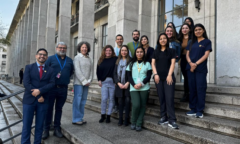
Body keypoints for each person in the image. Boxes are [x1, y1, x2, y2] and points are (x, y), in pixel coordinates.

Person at [21, 48, 55, 144]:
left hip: (43, 101)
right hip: (29, 101)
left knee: (40, 126)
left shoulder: (51, 70)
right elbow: (26, 84)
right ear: (36, 56)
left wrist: (40, 91)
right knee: (26, 125)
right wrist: (38, 96)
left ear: (47, 57)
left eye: (44, 55)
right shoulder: (29, 67)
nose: (42, 56)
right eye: (40, 54)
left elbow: (52, 84)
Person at [42, 42, 74, 139]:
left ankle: (57, 128)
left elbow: (71, 72)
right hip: (51, 89)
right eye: (60, 47)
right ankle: (46, 129)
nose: (62, 49)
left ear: (66, 49)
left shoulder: (69, 60)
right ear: (56, 48)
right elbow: (44, 72)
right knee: (49, 109)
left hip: (63, 89)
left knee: (59, 109)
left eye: (64, 48)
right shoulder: (50, 59)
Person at [152, 33, 179, 129]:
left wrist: (169, 75)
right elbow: (153, 64)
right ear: (158, 41)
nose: (163, 40)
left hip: (168, 78)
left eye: (164, 38)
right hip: (158, 78)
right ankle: (164, 117)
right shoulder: (155, 51)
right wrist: (155, 74)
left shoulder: (172, 51)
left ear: (167, 40)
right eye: (161, 39)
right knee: (161, 98)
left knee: (169, 97)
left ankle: (172, 120)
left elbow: (172, 64)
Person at [185, 24, 212, 118]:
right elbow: (187, 55)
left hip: (201, 69)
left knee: (200, 89)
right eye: (196, 30)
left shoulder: (207, 42)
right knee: (192, 89)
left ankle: (200, 110)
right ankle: (193, 108)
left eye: (199, 29)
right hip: (190, 69)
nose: (198, 31)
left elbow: (206, 55)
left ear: (203, 30)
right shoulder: (191, 42)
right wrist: (191, 63)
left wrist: (195, 64)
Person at [127, 47, 152, 132]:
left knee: (142, 106)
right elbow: (128, 76)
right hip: (133, 88)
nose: (139, 53)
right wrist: (134, 84)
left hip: (144, 87)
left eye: (141, 52)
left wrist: (141, 84)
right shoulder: (131, 63)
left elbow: (149, 76)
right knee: (136, 105)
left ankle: (139, 123)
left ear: (143, 53)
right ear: (135, 53)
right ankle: (133, 121)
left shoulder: (148, 63)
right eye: (137, 52)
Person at [72, 41, 93, 125]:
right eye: (82, 47)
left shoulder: (89, 58)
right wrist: (84, 81)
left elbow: (91, 71)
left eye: (86, 47)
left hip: (86, 83)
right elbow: (77, 70)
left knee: (83, 100)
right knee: (77, 100)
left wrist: (89, 80)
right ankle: (76, 119)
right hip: (78, 83)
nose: (84, 49)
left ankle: (80, 117)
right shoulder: (77, 57)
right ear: (80, 48)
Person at [97, 45, 117, 123]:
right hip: (104, 82)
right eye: (107, 50)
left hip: (112, 82)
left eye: (110, 50)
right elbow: (97, 71)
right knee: (104, 99)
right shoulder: (101, 60)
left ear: (112, 51)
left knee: (111, 99)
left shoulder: (115, 59)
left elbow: (118, 70)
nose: (108, 52)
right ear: (104, 51)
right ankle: (103, 115)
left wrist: (116, 81)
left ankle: (109, 115)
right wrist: (99, 80)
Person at [113, 45, 131, 126]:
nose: (124, 52)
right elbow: (114, 74)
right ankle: (120, 119)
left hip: (128, 84)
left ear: (127, 52)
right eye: (122, 50)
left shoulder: (130, 61)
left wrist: (128, 83)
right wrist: (118, 83)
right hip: (119, 85)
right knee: (120, 102)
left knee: (127, 102)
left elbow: (132, 73)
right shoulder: (117, 61)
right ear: (120, 52)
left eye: (125, 50)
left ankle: (126, 119)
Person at [178, 23, 192, 102]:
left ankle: (191, 94)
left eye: (186, 28)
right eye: (183, 28)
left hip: (190, 58)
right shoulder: (179, 39)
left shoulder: (192, 38)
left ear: (189, 29)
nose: (184, 29)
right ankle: (186, 94)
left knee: (190, 77)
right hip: (183, 59)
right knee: (186, 77)